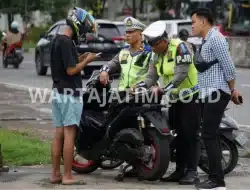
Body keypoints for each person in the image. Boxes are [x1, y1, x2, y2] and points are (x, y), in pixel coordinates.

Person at [134, 20, 201, 185]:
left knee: (189, 135)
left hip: (190, 98)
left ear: (163, 41)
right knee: (177, 135)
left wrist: (163, 89)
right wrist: (139, 86)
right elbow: (151, 76)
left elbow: (181, 74)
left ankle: (192, 172)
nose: (152, 49)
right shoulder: (157, 54)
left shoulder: (180, 48)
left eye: (154, 45)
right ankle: (179, 171)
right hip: (174, 100)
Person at [191, 8, 242, 190]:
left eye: (193, 22)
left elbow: (229, 68)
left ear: (203, 21)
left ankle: (217, 181)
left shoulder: (216, 39)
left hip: (217, 93)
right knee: (207, 134)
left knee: (209, 134)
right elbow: (208, 74)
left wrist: (233, 90)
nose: (192, 26)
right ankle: (215, 179)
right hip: (207, 93)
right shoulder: (205, 41)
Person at [50, 7, 98, 185]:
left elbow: (66, 63)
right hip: (70, 93)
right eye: (84, 28)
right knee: (70, 134)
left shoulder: (58, 40)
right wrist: (87, 61)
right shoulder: (67, 42)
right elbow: (71, 70)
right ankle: (68, 176)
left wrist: (80, 57)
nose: (84, 33)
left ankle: (55, 174)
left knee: (58, 134)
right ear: (77, 24)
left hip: (57, 92)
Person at [99, 16, 152, 177]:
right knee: (110, 126)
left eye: (131, 32)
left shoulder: (149, 53)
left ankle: (135, 163)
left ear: (140, 34)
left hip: (140, 96)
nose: (127, 35)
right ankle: (117, 155)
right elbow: (110, 64)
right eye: (126, 32)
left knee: (132, 130)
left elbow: (153, 75)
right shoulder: (123, 52)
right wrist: (104, 71)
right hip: (122, 96)